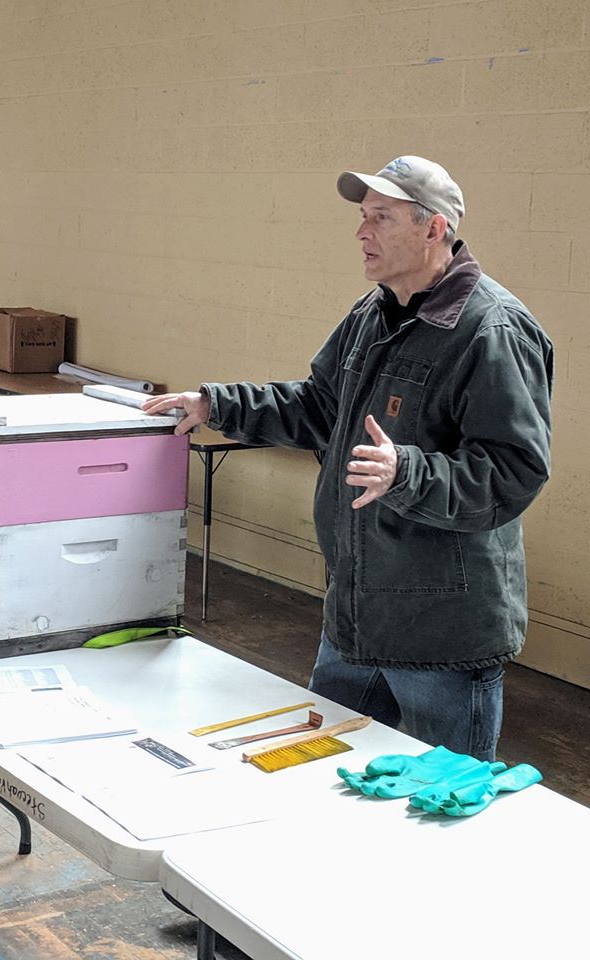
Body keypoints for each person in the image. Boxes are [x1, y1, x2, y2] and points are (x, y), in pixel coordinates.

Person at [143, 156, 553, 762]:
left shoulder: (492, 330)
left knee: (437, 805)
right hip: (355, 616)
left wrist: (405, 471)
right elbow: (317, 406)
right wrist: (215, 404)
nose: (362, 233)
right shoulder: (372, 313)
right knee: (323, 780)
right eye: (363, 217)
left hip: (441, 634)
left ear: (433, 228)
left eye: (380, 218)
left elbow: (513, 471)